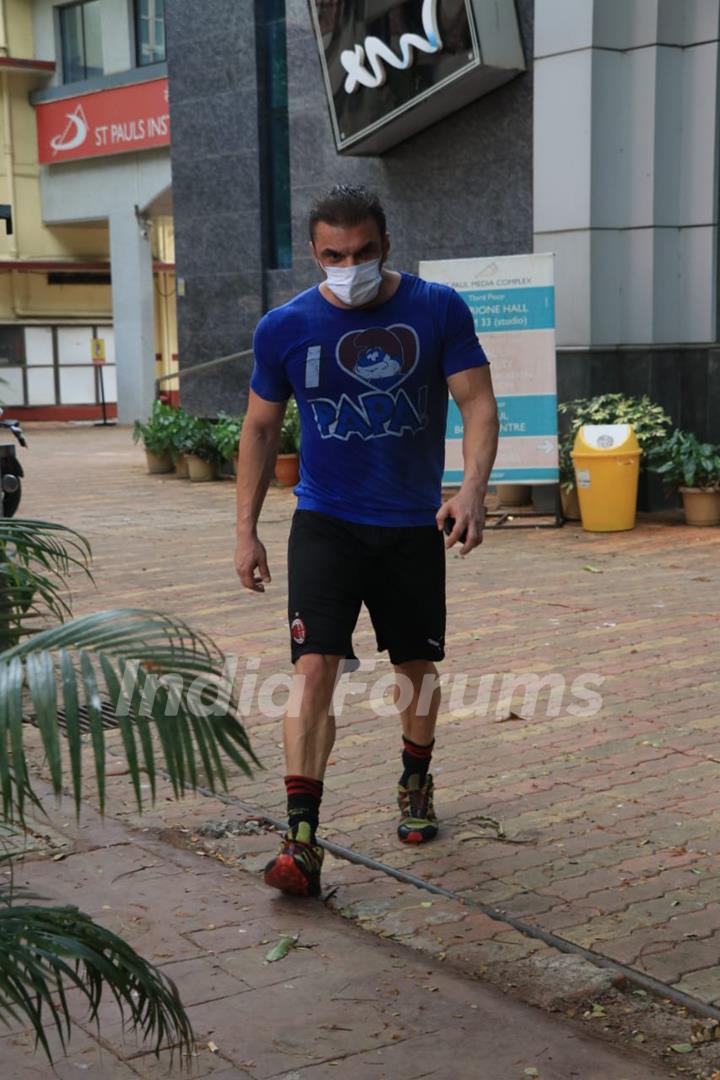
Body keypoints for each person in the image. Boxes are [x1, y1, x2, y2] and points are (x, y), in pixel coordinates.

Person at [235, 184, 498, 897]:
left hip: (413, 523)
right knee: (314, 668)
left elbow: (477, 402)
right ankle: (301, 840)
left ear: (386, 245)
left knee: (414, 666)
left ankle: (415, 778)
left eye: (363, 253)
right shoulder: (284, 327)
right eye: (333, 255)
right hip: (325, 522)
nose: (349, 266)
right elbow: (260, 428)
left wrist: (470, 489)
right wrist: (245, 531)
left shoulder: (436, 308)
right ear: (315, 254)